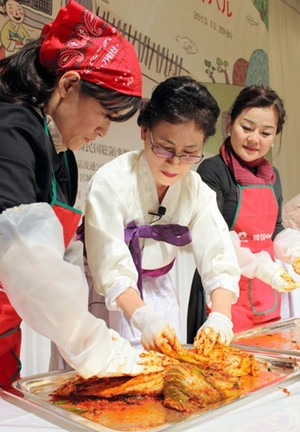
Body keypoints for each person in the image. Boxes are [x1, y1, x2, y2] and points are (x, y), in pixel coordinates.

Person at [0, 0, 152, 387]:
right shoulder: (12, 130)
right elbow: (22, 257)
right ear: (68, 85)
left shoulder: (61, 155)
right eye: (105, 115)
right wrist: (93, 345)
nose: (104, 132)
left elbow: (59, 260)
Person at [81, 75, 241, 354]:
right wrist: (143, 318)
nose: (175, 163)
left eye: (190, 153)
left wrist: (221, 315)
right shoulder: (111, 181)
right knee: (102, 379)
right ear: (145, 132)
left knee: (166, 379)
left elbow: (218, 256)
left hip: (158, 292)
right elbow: (111, 268)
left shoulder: (196, 191)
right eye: (164, 148)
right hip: (108, 295)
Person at [187, 85, 300, 341]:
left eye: (266, 132)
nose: (254, 139)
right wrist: (262, 268)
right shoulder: (213, 171)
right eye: (246, 128)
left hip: (265, 296)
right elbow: (214, 238)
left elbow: (274, 231)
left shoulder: (273, 176)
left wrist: (293, 248)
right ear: (230, 123)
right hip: (222, 295)